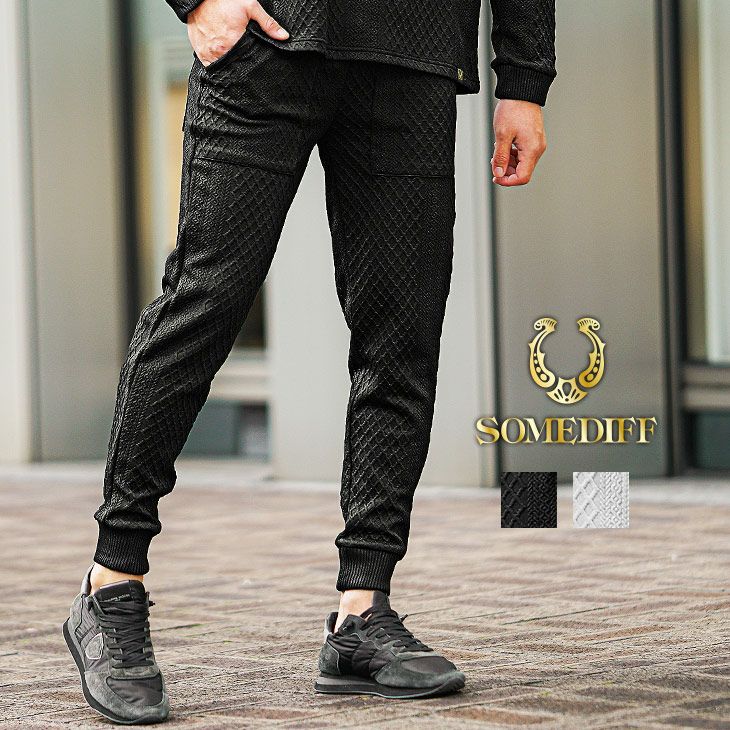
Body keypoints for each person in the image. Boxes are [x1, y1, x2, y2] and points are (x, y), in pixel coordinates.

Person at [63, 0, 556, 722]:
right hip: (266, 48)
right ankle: (111, 584)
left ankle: (362, 612)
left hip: (412, 56)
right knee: (203, 308)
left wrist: (524, 83)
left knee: (401, 338)